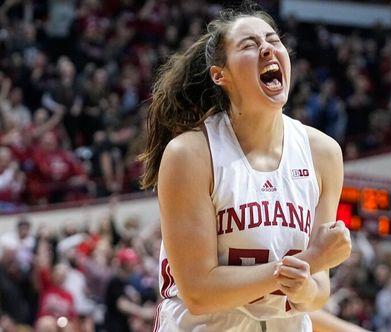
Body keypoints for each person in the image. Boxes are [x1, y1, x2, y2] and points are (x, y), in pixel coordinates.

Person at [139, 3, 351, 331]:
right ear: (219, 75)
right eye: (249, 45)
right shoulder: (190, 153)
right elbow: (199, 292)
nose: (267, 48)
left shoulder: (323, 153)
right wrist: (311, 261)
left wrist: (306, 286)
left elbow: (318, 291)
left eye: (273, 40)